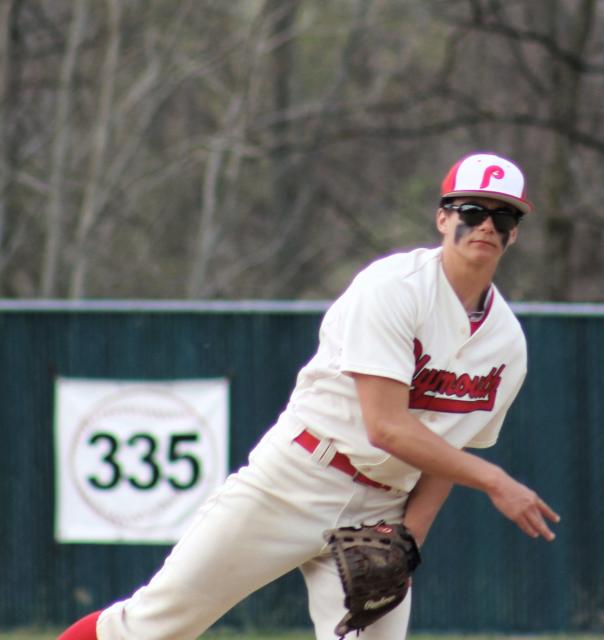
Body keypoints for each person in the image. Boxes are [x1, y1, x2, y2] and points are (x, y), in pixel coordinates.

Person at [59, 151, 560, 640]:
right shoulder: (394, 289)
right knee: (154, 624)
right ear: (442, 217)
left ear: (514, 232)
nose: (486, 225)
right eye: (472, 211)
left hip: (382, 509)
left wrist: (410, 538)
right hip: (296, 476)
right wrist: (495, 482)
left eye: (503, 215)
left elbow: (452, 452)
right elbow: (384, 426)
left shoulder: (506, 344)